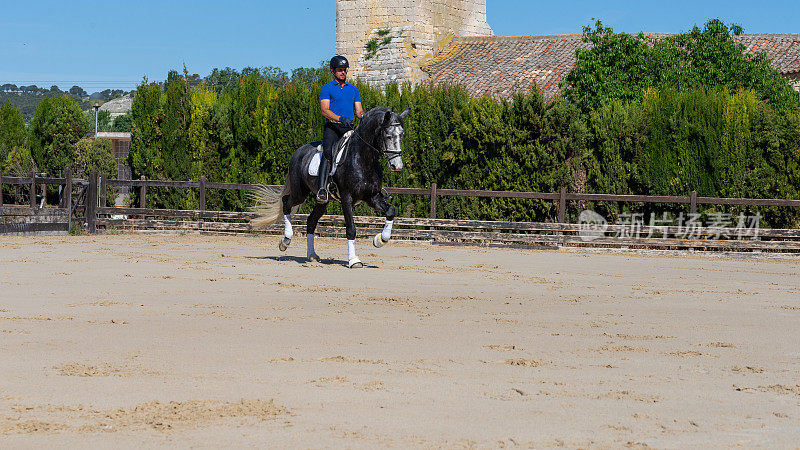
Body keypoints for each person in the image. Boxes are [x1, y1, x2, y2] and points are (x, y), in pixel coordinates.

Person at [317, 55, 364, 203]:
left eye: (344, 70)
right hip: (333, 128)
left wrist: (366, 117)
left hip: (348, 129)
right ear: (333, 71)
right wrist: (340, 118)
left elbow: (359, 111)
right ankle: (322, 189)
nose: (343, 72)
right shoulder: (327, 88)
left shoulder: (354, 90)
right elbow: (325, 110)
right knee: (328, 152)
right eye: (340, 70)